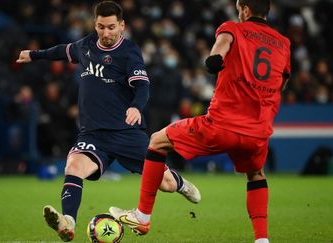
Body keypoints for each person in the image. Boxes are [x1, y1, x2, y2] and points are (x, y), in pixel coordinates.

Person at [16, 1, 200, 242]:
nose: (106, 33)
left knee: (164, 183)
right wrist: (34, 55)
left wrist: (135, 106)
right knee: (73, 167)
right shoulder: (86, 45)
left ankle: (180, 183)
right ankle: (67, 221)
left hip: (126, 133)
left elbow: (143, 86)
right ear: (95, 24)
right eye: (101, 27)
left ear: (122, 25)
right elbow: (63, 50)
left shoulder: (129, 51)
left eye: (112, 27)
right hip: (93, 134)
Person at [109, 1, 291, 243]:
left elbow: (220, 48)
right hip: (257, 132)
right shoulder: (283, 43)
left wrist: (214, 60)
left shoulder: (233, 29)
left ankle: (142, 216)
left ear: (245, 9)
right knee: (256, 174)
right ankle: (262, 239)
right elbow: (282, 83)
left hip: (221, 125)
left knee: (157, 142)